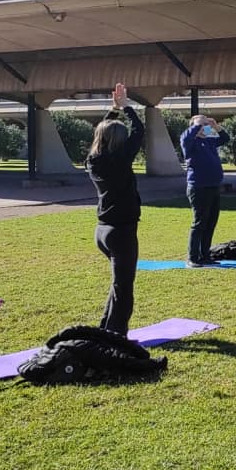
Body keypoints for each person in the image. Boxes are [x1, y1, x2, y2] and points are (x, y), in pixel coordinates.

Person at [84, 83, 144, 335]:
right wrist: (125, 108)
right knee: (124, 287)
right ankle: (116, 335)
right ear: (120, 142)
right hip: (121, 232)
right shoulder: (120, 160)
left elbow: (101, 134)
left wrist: (114, 110)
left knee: (119, 284)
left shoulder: (93, 161)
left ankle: (107, 328)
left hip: (103, 231)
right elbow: (139, 130)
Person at [180, 114, 230, 267]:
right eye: (201, 125)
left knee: (211, 222)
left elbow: (225, 139)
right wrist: (197, 124)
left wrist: (215, 126)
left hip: (214, 186)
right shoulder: (190, 142)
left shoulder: (209, 141)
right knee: (199, 223)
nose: (204, 127)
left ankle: (205, 255)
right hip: (198, 188)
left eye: (205, 125)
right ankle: (193, 258)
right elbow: (185, 138)